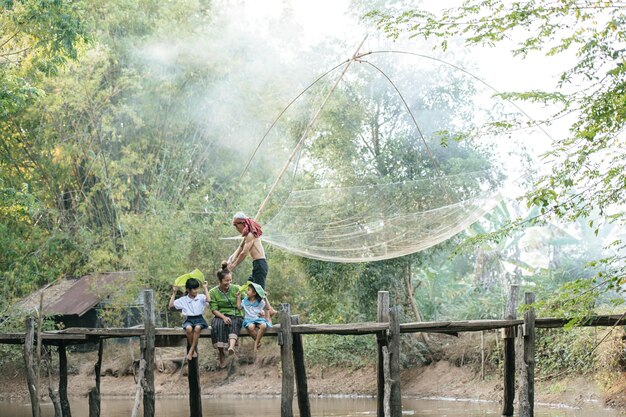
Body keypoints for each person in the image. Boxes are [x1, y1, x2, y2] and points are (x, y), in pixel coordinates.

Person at [227, 212, 276, 317]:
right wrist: (231, 259)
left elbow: (244, 253)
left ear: (242, 223)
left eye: (236, 225)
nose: (236, 227)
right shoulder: (247, 236)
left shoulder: (251, 235)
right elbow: (240, 248)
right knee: (251, 284)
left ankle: (268, 313)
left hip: (260, 263)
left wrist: (234, 265)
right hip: (256, 264)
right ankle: (267, 309)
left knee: (260, 291)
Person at [209, 262, 243, 368]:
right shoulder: (213, 292)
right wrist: (223, 317)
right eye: (226, 280)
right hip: (220, 314)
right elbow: (214, 309)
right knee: (217, 324)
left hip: (235, 313)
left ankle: (231, 347)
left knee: (234, 321)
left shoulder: (237, 288)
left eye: (230, 280)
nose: (229, 282)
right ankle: (221, 353)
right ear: (220, 280)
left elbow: (248, 298)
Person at [168, 278, 210, 361]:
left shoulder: (201, 297)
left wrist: (205, 288)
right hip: (189, 319)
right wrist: (174, 293)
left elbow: (209, 300)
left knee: (197, 328)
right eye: (194, 289)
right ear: (188, 289)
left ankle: (190, 351)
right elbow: (171, 305)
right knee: (188, 328)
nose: (196, 290)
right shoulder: (184, 299)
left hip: (199, 319)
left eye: (197, 288)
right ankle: (193, 350)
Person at [237, 282, 272, 352]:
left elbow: (268, 308)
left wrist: (265, 298)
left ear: (254, 293)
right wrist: (238, 297)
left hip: (257, 319)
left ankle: (255, 343)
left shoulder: (260, 302)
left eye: (248, 290)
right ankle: (258, 342)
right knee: (251, 327)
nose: (247, 292)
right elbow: (239, 307)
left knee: (264, 325)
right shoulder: (245, 301)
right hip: (248, 319)